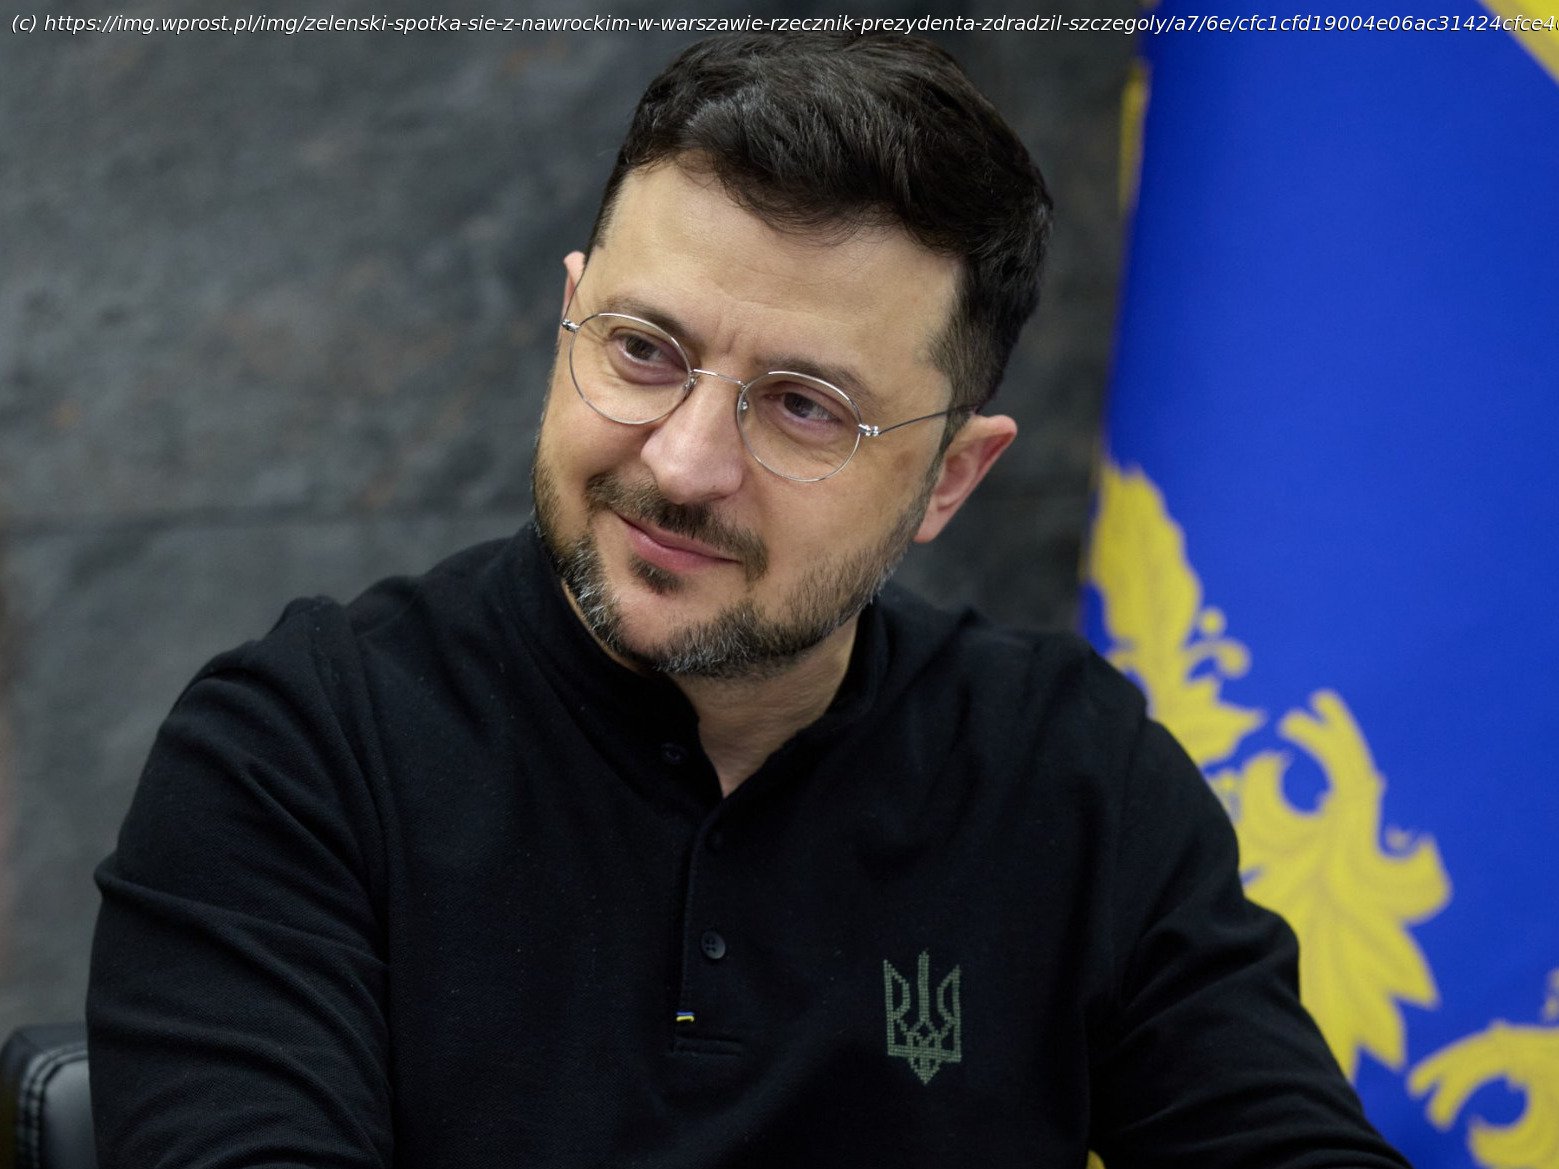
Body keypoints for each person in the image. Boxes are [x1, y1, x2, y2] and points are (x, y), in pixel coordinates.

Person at [87, 32, 1410, 1169]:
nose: (682, 463)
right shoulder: (295, 752)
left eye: (803, 408)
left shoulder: (1071, 774)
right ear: (569, 317)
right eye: (643, 349)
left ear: (950, 478)